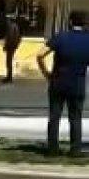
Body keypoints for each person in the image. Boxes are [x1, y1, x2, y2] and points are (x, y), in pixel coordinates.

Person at [37, 10, 89, 156]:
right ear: (85, 24)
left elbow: (40, 55)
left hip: (58, 82)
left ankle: (52, 148)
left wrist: (46, 74)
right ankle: (75, 149)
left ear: (70, 22)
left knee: (54, 116)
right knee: (75, 118)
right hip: (77, 84)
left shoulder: (61, 37)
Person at [2, 14, 22, 83]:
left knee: (8, 62)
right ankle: (9, 76)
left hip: (10, 46)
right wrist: (16, 46)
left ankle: (9, 77)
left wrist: (6, 46)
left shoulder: (11, 27)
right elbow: (19, 38)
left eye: (7, 19)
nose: (6, 21)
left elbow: (9, 38)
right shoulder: (16, 26)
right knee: (9, 61)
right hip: (13, 46)